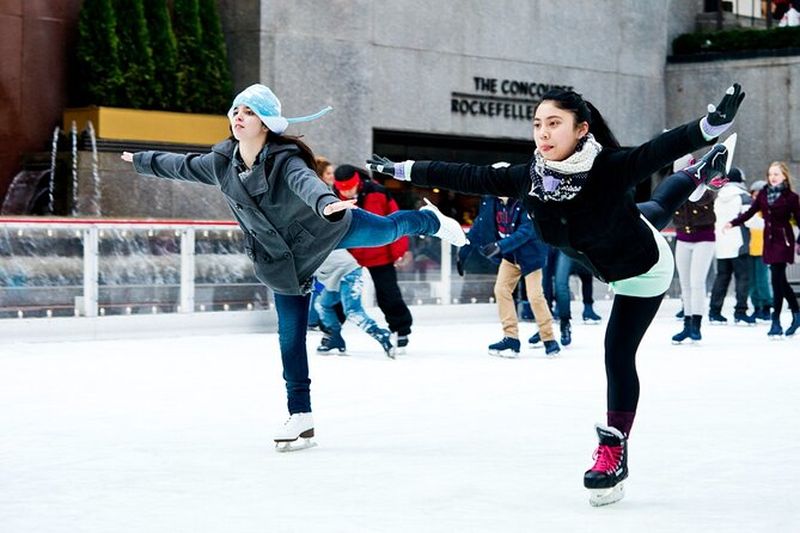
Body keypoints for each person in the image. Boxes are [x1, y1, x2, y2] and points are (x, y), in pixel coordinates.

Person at [367, 84, 745, 505]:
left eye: (554, 123)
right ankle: (699, 173)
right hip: (610, 240)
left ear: (582, 129)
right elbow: (468, 175)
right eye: (537, 124)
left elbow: (656, 151)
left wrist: (710, 126)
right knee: (650, 211)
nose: (543, 133)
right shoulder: (529, 178)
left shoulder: (608, 168)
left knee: (617, 352)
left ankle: (614, 449)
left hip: (642, 271)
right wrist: (403, 169)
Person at [121, 83, 466, 451]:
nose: (239, 117)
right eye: (237, 110)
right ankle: (300, 414)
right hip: (282, 259)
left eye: (249, 112)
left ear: (266, 122)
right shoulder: (221, 163)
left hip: (324, 227)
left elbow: (306, 183)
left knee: (386, 230)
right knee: (290, 338)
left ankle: (430, 221)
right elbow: (182, 165)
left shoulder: (285, 159)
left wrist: (326, 203)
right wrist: (141, 160)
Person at [457, 193, 560, 357]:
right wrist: (463, 253)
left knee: (535, 296)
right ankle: (511, 337)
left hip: (530, 256)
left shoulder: (525, 200)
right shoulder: (491, 202)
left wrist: (499, 246)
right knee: (501, 290)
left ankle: (548, 338)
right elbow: (479, 226)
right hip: (510, 256)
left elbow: (526, 231)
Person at [333, 164, 414, 352]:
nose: (346, 192)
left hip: (379, 253)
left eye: (349, 187)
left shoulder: (378, 192)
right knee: (339, 293)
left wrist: (398, 252)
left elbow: (396, 221)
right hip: (349, 256)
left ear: (357, 182)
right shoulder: (332, 197)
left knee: (388, 294)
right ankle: (332, 331)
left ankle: (401, 330)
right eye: (342, 189)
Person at [726, 161, 800, 338]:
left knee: (776, 280)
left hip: (783, 241)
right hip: (769, 241)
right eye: (770, 174)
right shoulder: (764, 194)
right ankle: (797, 314)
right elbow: (750, 212)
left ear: (784, 176)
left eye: (776, 174)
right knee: (781, 282)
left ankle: (776, 322)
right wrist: (733, 223)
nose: (772, 177)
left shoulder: (791, 197)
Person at [670, 155, 717, 344]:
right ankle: (687, 324)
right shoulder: (673, 186)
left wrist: (702, 183)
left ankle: (696, 325)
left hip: (704, 238)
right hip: (682, 238)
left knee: (697, 282)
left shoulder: (705, 185)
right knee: (685, 284)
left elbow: (706, 198)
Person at [313, 249, 394, 357]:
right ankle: (334, 337)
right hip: (330, 276)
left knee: (352, 311)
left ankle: (380, 334)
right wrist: (317, 290)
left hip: (349, 272)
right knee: (321, 304)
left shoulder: (302, 250)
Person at [708, 166, 754, 325]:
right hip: (740, 243)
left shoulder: (718, 197)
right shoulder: (744, 197)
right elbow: (750, 221)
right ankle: (740, 312)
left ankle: (714, 312)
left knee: (722, 277)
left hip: (721, 243)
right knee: (742, 278)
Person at [745, 179, 773, 321]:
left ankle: (767, 306)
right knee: (752, 282)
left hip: (764, 251)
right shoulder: (750, 209)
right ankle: (756, 307)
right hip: (750, 250)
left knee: (762, 281)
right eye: (755, 195)